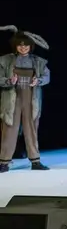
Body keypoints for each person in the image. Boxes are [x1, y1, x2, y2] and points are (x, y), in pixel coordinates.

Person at [0, 26, 51, 173]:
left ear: (31, 46)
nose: (23, 48)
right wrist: (9, 81)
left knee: (31, 129)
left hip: (30, 98)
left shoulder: (38, 62)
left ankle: (35, 161)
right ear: (16, 46)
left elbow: (47, 76)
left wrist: (38, 81)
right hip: (12, 98)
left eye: (26, 46)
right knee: (9, 129)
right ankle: (4, 162)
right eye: (20, 46)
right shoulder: (5, 60)